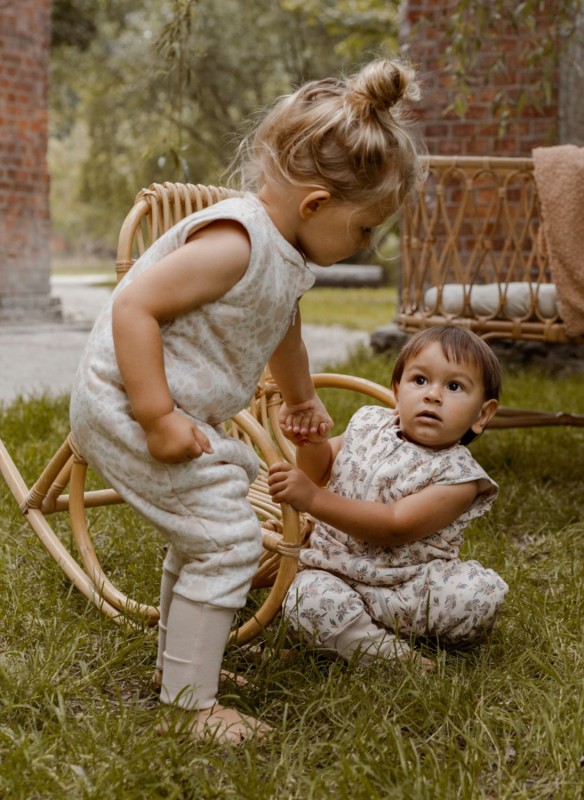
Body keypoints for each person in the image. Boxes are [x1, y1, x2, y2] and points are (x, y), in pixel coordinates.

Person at [69, 58, 425, 743]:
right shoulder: (235, 242)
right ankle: (189, 708)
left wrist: (300, 397)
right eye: (364, 229)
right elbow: (134, 306)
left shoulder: (283, 255)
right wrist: (156, 414)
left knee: (209, 531)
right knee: (228, 541)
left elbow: (281, 326)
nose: (366, 245)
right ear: (316, 204)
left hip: (171, 410)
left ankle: (181, 670)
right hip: (122, 404)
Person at [267, 326, 509, 668]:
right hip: (335, 572)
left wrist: (314, 501)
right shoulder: (367, 424)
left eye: (454, 387)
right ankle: (391, 656)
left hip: (410, 588)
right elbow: (318, 473)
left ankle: (354, 637)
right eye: (420, 380)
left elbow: (395, 525)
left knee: (477, 597)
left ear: (482, 415)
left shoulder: (459, 478)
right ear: (397, 390)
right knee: (306, 599)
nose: (433, 395)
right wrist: (313, 444)